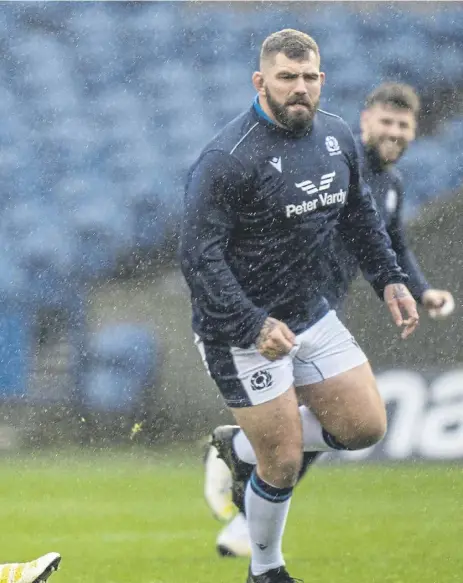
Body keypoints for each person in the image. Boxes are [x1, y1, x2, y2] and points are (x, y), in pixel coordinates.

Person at [180, 29, 419, 583]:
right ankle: (266, 569)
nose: (300, 89)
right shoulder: (227, 159)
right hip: (238, 328)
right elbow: (198, 257)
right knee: (283, 461)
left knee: (365, 427)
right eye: (287, 78)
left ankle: (240, 446)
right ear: (260, 81)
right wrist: (250, 321)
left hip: (308, 312)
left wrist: (390, 279)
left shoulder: (337, 138)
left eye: (309, 77)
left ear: (322, 80)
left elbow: (360, 217)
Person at [202, 82, 455, 559]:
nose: (394, 132)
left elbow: (392, 243)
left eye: (403, 126)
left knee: (329, 424)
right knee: (307, 427)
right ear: (365, 121)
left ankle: (243, 464)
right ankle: (246, 494)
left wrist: (420, 291)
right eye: (386, 121)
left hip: (322, 313)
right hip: (288, 307)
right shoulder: (333, 160)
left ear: (414, 132)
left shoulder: (393, 186)